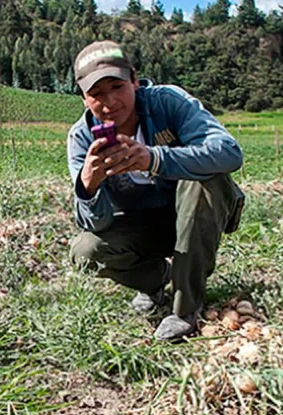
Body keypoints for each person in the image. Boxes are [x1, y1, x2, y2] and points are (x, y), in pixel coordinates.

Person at [67, 41, 244, 342]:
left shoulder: (168, 102)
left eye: (117, 87)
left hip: (196, 214)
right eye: (96, 94)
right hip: (142, 227)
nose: (110, 102)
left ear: (135, 80)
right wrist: (89, 186)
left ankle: (185, 308)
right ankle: (157, 281)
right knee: (85, 251)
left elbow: (228, 152)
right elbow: (95, 225)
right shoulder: (82, 139)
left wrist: (156, 159)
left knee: (206, 180)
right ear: (84, 98)